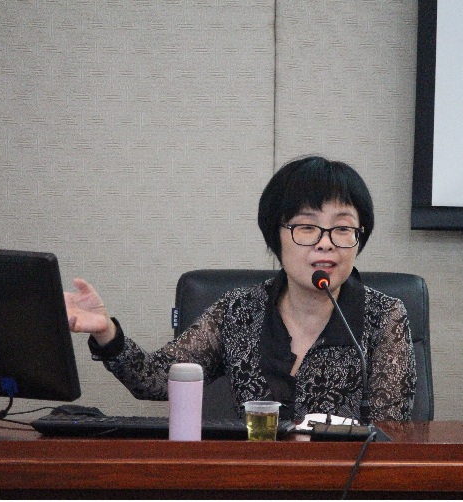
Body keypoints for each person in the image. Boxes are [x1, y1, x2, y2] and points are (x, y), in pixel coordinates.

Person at [66, 156, 416, 421]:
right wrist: (106, 333)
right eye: (307, 227)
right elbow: (156, 380)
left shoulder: (383, 316)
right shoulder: (239, 311)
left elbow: (391, 429)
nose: (325, 243)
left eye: (342, 229)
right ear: (276, 236)